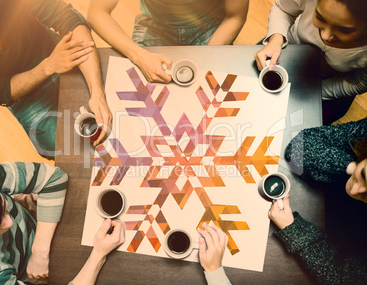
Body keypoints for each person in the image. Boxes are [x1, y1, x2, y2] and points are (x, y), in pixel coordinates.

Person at [0, 0, 112, 158]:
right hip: (27, 97)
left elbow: (69, 20)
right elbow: (2, 90)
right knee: (60, 144)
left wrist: (97, 91)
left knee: (112, 98)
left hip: (59, 52)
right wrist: (48, 66)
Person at [0, 160, 125, 284]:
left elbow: (54, 178)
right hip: (37, 275)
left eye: (3, 206)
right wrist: (99, 254)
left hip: (40, 235)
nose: (9, 223)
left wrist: (39, 251)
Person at [267, 119, 367, 284]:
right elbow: (299, 147)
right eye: (364, 174)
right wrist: (351, 167)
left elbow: (340, 278)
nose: (354, 191)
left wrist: (294, 230)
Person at [254, 0, 367, 124]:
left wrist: (315, 92)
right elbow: (283, 8)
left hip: (331, 83)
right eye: (320, 17)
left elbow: (358, 82)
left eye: (344, 30)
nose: (325, 35)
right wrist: (276, 39)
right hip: (286, 48)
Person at [87, 0, 249, 83]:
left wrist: (208, 57)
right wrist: (140, 56)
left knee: (214, 91)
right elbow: (97, 13)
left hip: (210, 26)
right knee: (141, 94)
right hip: (155, 25)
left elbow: (235, 16)